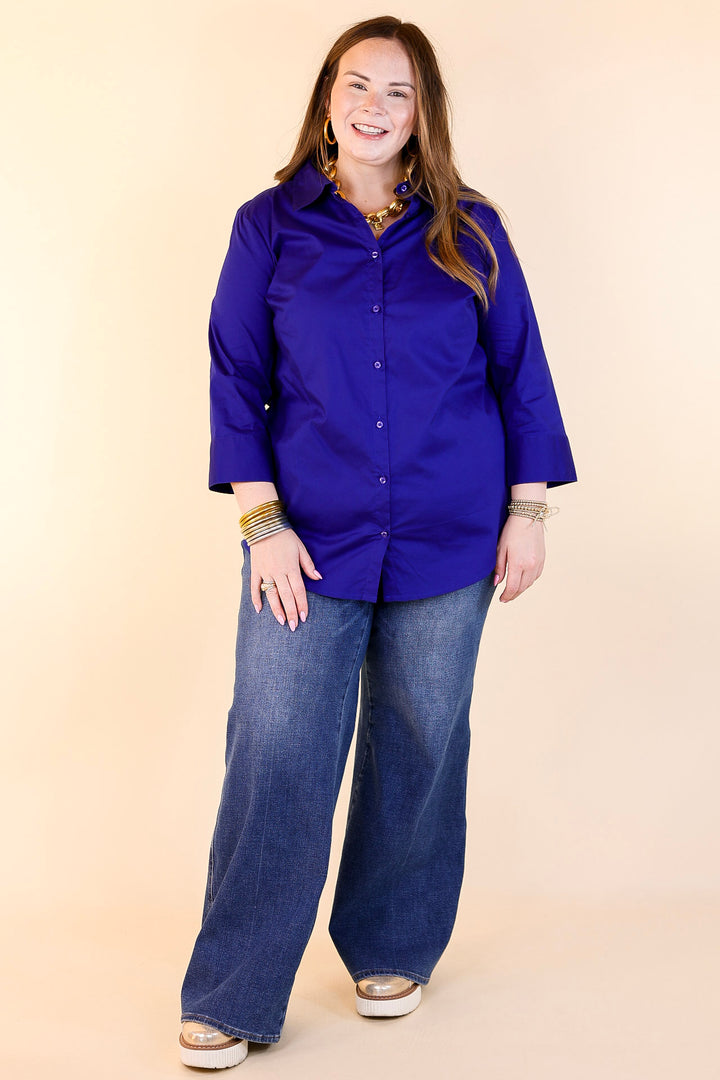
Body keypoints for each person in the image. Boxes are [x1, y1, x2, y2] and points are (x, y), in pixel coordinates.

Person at [178, 14, 578, 1070]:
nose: (373, 107)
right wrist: (260, 521)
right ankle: (233, 989)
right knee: (276, 748)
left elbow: (520, 371)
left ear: (422, 112)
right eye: (357, 84)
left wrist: (529, 510)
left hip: (452, 532)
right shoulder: (268, 226)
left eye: (399, 91)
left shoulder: (472, 228)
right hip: (304, 542)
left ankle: (393, 946)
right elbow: (236, 377)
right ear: (327, 97)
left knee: (421, 740)